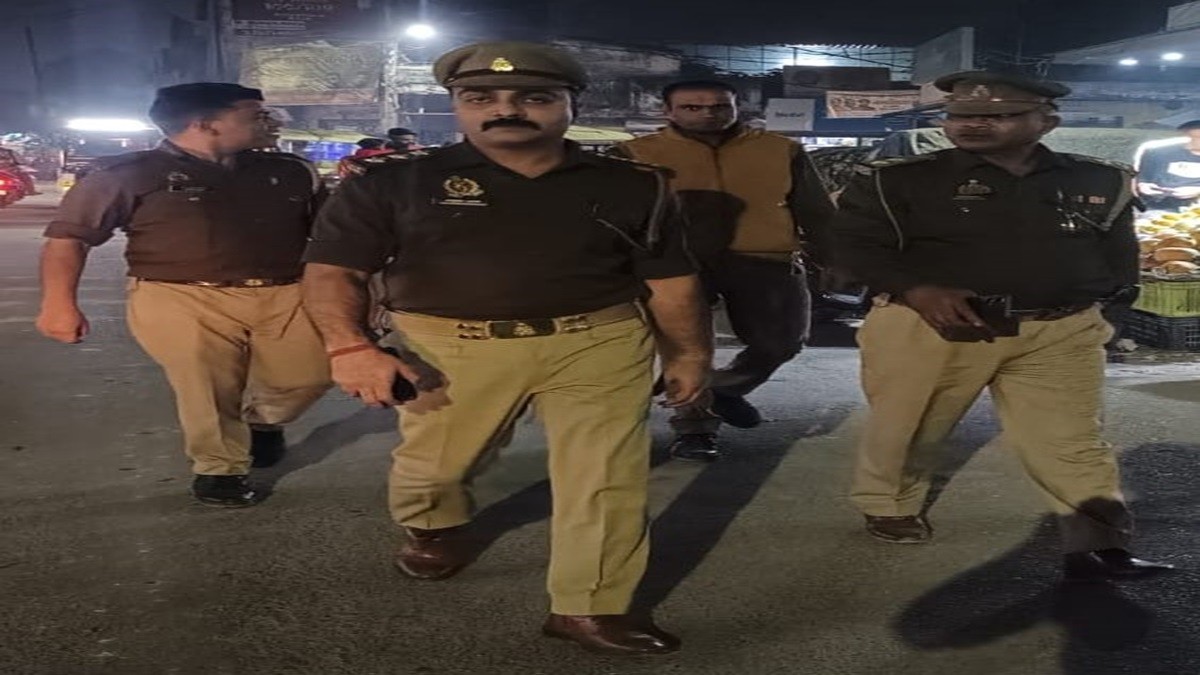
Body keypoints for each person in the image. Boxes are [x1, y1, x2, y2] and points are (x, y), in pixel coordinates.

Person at [300, 42, 711, 654]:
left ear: (571, 105)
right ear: (457, 106)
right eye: (480, 98)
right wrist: (350, 348)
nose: (505, 110)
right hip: (448, 348)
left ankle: (590, 606)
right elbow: (334, 271)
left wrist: (689, 354)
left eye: (534, 97)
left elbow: (671, 280)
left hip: (598, 343)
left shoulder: (633, 185)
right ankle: (433, 525)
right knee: (437, 468)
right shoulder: (394, 182)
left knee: (607, 479)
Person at [833, 71, 1173, 581]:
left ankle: (1097, 543)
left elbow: (1118, 248)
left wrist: (1110, 303)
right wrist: (916, 288)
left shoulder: (1097, 179)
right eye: (959, 116)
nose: (972, 125)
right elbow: (851, 245)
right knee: (910, 428)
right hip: (930, 327)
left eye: (997, 115)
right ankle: (890, 504)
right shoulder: (896, 179)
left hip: (1059, 331)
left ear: (1046, 121)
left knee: (1072, 440)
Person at [35, 83, 331, 508]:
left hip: (288, 291)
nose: (268, 122)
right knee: (206, 385)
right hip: (180, 297)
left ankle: (264, 422)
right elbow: (69, 239)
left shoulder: (292, 170)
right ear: (206, 124)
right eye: (255, 114)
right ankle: (220, 471)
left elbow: (331, 234)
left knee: (311, 374)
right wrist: (58, 304)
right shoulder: (126, 174)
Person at [611, 80, 834, 462]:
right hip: (676, 264)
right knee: (685, 350)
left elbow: (817, 211)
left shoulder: (781, 150)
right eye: (692, 107)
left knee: (783, 342)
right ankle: (695, 428)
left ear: (735, 108)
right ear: (668, 111)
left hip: (765, 258)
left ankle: (725, 389)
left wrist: (833, 259)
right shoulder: (636, 153)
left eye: (718, 106)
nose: (707, 114)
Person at [1134, 119, 1200, 210]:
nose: (1195, 141)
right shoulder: (1157, 153)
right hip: (1158, 207)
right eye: (1193, 137)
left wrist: (1197, 191)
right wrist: (1143, 186)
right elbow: (1142, 178)